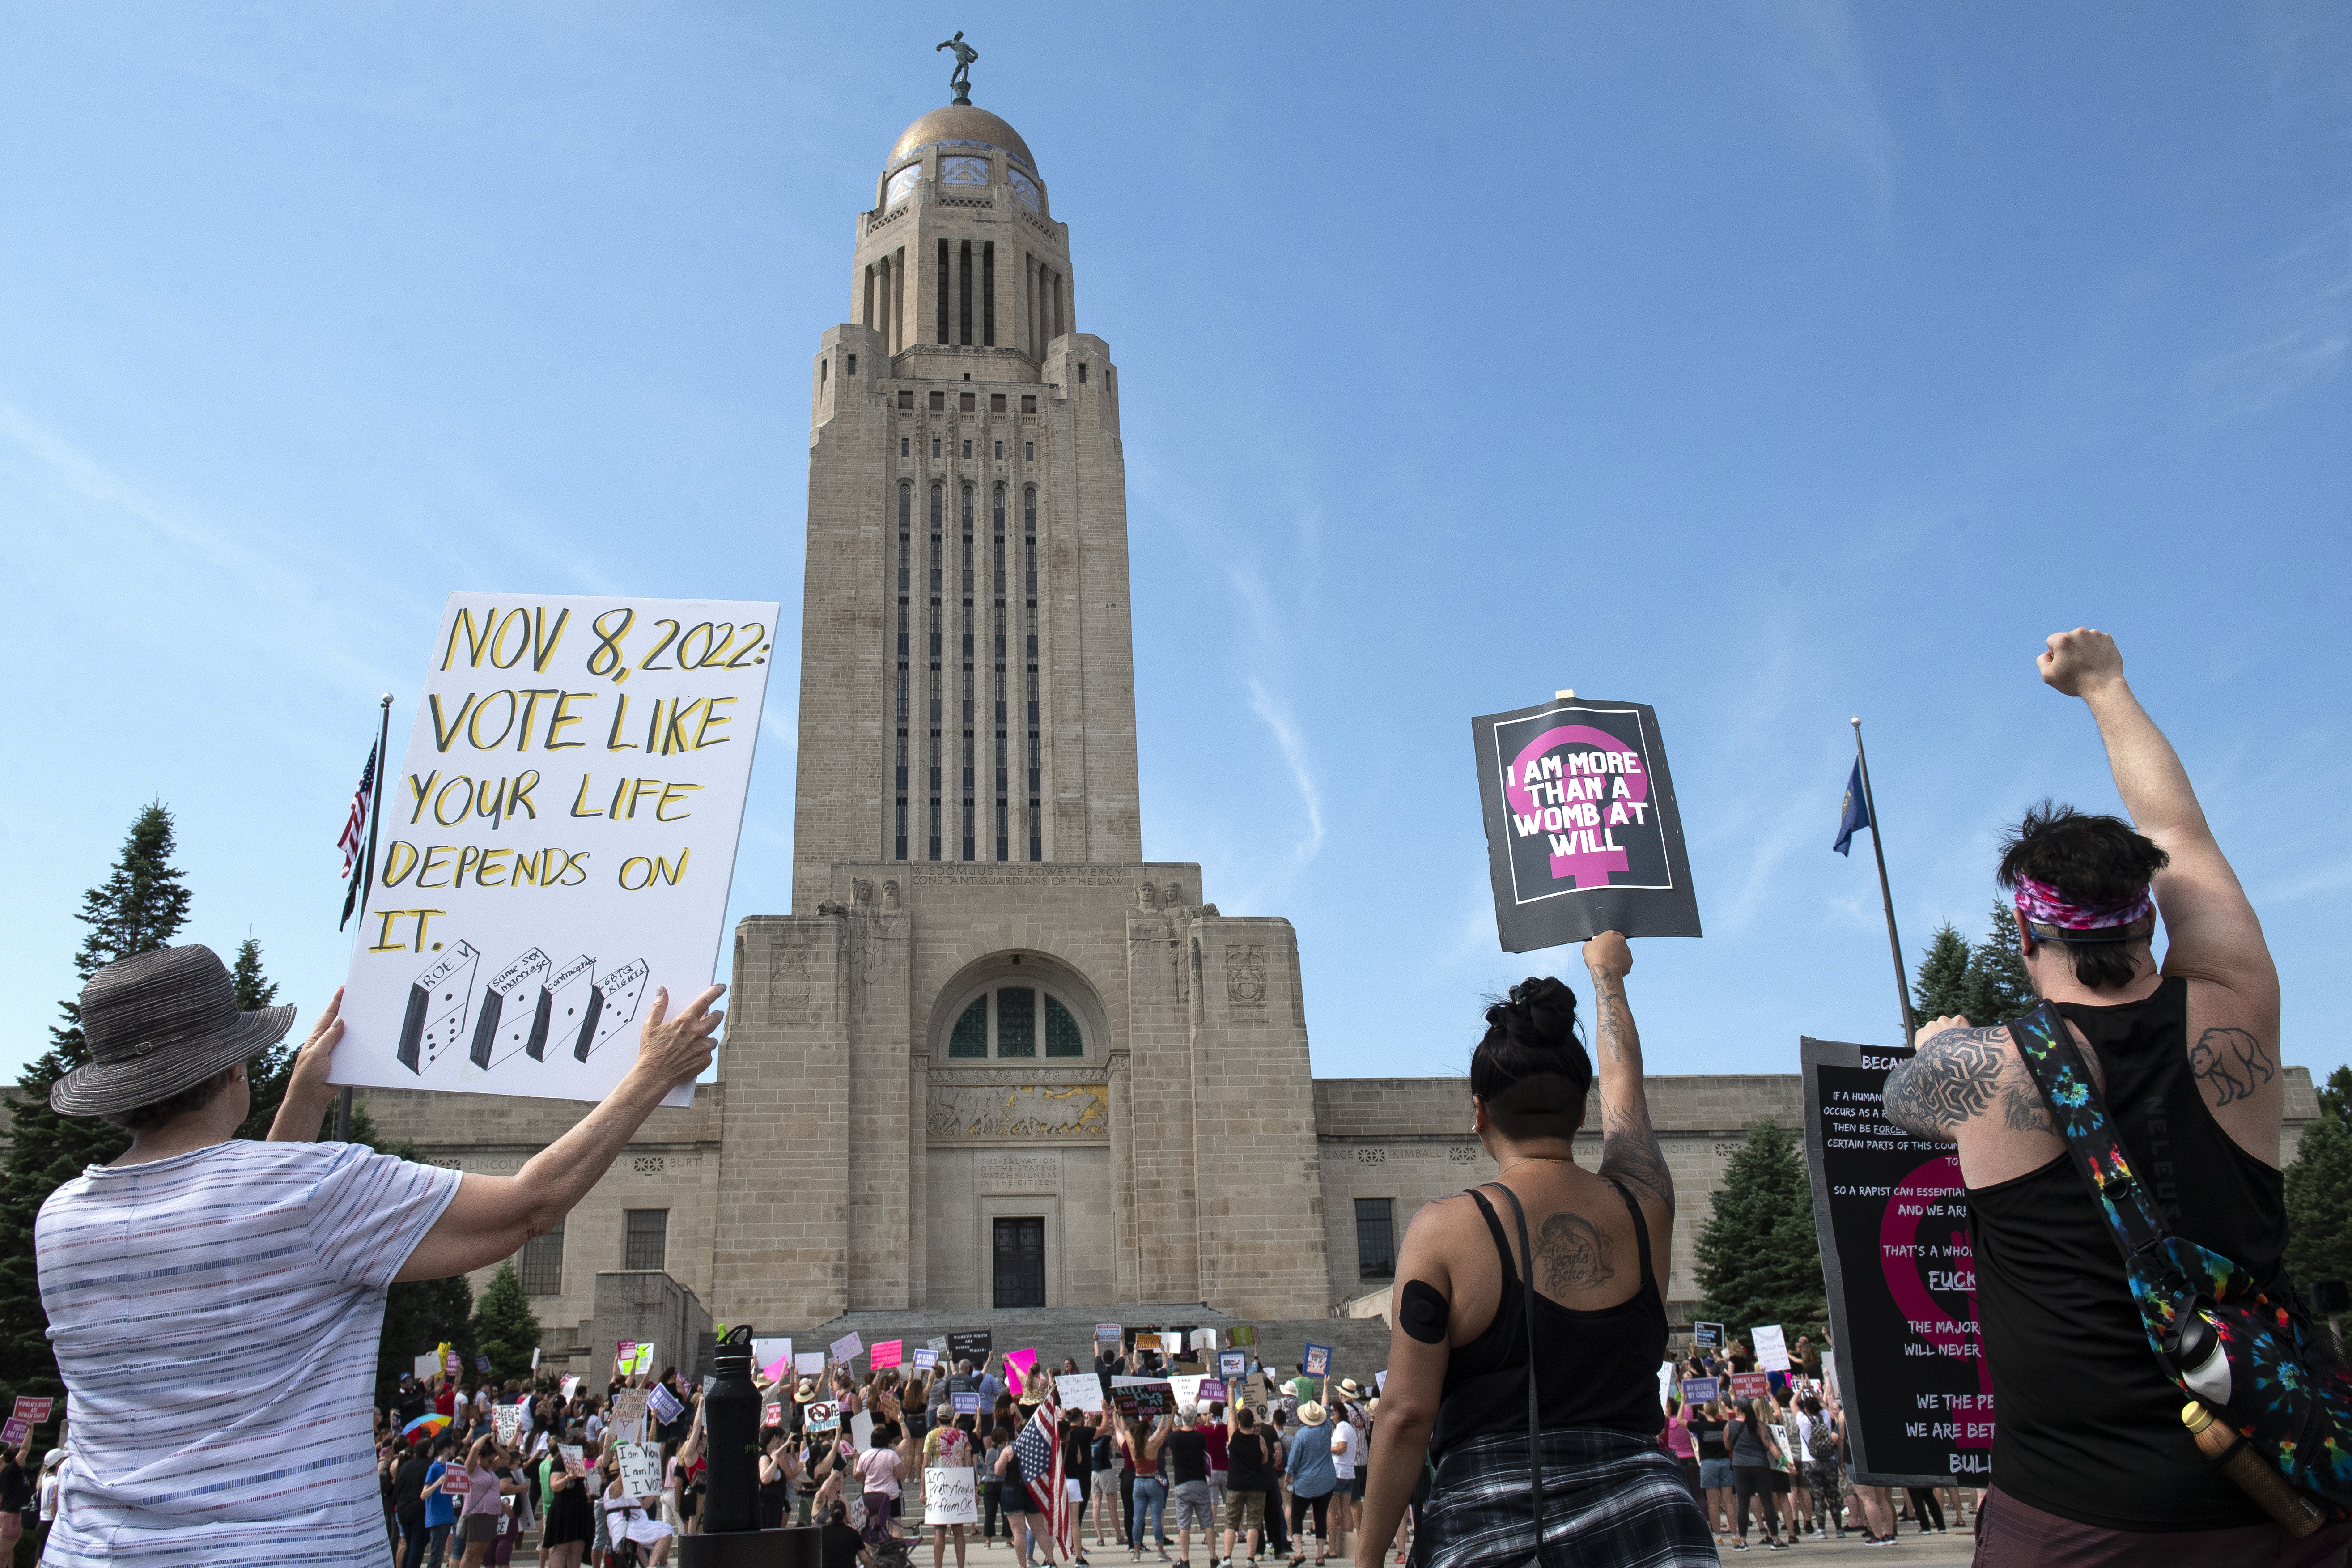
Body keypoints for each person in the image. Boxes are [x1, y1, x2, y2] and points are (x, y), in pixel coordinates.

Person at [1877, 628, 2352, 1566]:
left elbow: (1902, 1100)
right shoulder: (2236, 1008)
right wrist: (2104, 685)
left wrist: (1938, 1045)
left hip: (2076, 1517)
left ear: (2024, 929)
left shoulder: (1983, 1071)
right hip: (2280, 1492)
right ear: (2148, 912)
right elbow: (2179, 832)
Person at [30, 943, 726, 1568]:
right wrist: (650, 1075)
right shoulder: (315, 1188)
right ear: (235, 1066)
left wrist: (302, 1100)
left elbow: (241, 1235)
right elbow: (530, 1206)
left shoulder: (62, 1218)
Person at [1357, 938, 1714, 1568]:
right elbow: (1626, 1091)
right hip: (1654, 1526)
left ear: (1478, 1113)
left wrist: (1365, 1560)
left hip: (1493, 1523)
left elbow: (1408, 1414)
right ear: (1582, 1108)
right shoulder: (1644, 1200)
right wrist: (1607, 977)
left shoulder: (1444, 1229)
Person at [1217, 1406, 1272, 1567]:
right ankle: (1250, 1559)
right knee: (1254, 1523)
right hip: (1256, 1485)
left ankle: (1227, 1558)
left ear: (1240, 1422)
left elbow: (1232, 1418)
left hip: (1235, 1484)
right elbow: (1264, 1459)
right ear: (1253, 1423)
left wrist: (1232, 1390)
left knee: (1231, 1523)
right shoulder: (1260, 1439)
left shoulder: (1234, 1436)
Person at [1284, 1401, 1337, 1565]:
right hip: (1326, 1481)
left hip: (1305, 1483)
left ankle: (1299, 1551)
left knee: (1297, 1517)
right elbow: (1327, 1408)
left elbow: (1293, 1462)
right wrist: (1326, 1386)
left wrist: (1287, 1478)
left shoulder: (1301, 1435)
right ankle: (1320, 1554)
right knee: (1321, 1517)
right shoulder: (1327, 1428)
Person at [926, 1405, 975, 1568]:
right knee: (959, 1531)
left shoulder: (931, 1435)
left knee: (939, 1532)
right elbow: (969, 1463)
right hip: (959, 1485)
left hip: (939, 1486)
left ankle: (938, 1566)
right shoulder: (962, 1435)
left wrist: (923, 1490)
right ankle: (961, 1566)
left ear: (938, 1418)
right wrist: (972, 1489)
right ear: (953, 1416)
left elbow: (926, 1465)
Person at [1161, 1408, 1210, 1564]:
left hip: (1182, 1484)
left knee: (1184, 1525)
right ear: (1195, 1419)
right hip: (1200, 1482)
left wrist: (1172, 1413)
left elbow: (1174, 1428)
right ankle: (1214, 1557)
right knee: (1208, 1523)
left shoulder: (1174, 1438)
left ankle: (1185, 1558)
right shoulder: (1201, 1437)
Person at [1124, 1415, 1171, 1562]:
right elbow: (1166, 1430)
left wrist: (1118, 1415)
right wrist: (1171, 1414)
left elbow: (1125, 1429)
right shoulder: (1153, 1446)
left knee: (1138, 1518)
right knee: (1156, 1518)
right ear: (1147, 1433)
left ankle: (1136, 1553)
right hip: (1153, 1481)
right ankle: (1161, 1552)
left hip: (1138, 1481)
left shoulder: (1132, 1445)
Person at [540, 1446, 592, 1568]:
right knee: (562, 1547)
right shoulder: (559, 1462)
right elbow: (555, 1487)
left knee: (577, 1547)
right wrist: (567, 1478)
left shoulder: (581, 1463)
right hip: (563, 1509)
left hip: (579, 1508)